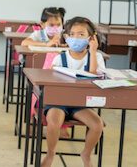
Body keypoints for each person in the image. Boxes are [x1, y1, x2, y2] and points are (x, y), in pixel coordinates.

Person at [43, 17, 106, 167]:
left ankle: (86, 154)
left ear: (91, 38)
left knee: (97, 125)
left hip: (80, 103)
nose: (76, 38)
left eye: (81, 34)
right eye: (72, 34)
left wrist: (92, 51)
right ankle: (51, 153)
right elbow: (52, 82)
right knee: (53, 123)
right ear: (66, 37)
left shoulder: (96, 57)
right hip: (58, 102)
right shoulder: (60, 57)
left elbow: (93, 74)